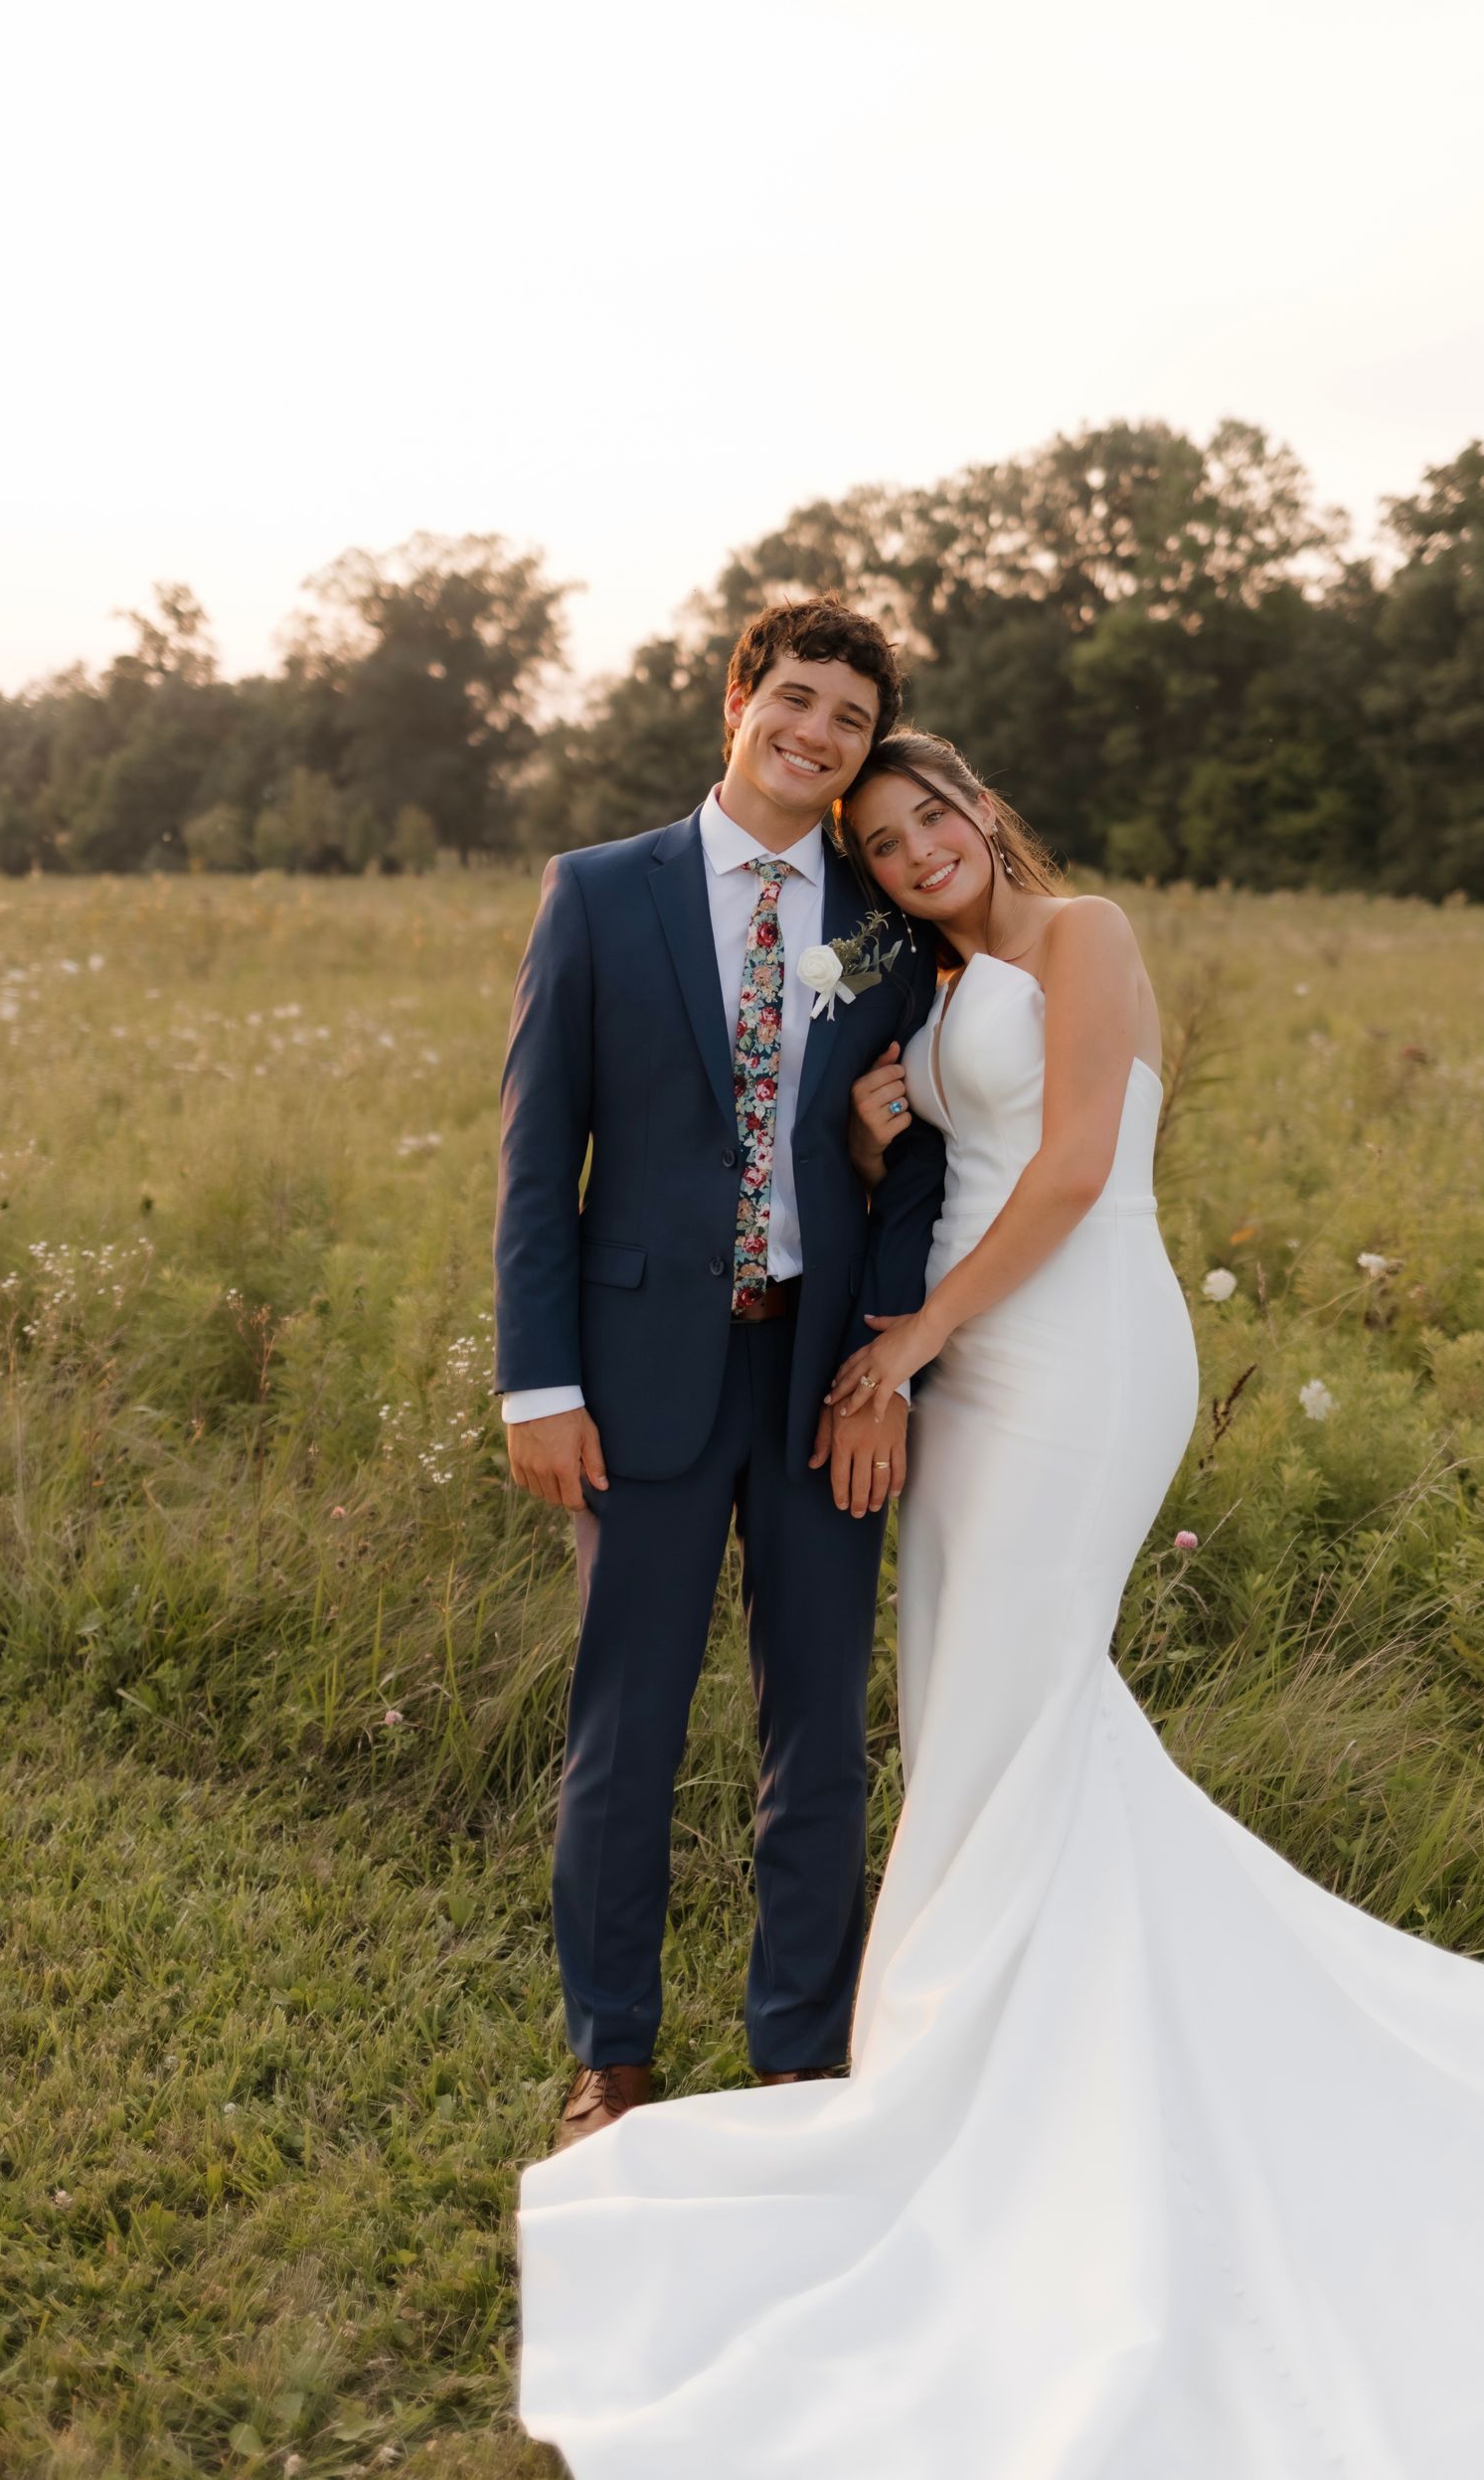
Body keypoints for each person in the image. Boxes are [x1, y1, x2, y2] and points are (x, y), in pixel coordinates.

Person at [514, 725, 1484, 2476]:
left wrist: (912, 1339)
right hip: (960, 1366)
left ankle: (991, 2090)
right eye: (880, 846)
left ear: (983, 809)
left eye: (926, 820)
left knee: (1019, 1708)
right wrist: (882, 1153)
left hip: (1074, 1351)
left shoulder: (1084, 934)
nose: (908, 856)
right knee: (972, 1707)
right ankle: (972, 2059)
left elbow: (1068, 1171)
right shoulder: (933, 978)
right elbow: (935, 1172)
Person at [494, 599, 945, 2149]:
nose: (816, 735)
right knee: (628, 1723)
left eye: (848, 722)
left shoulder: (880, 921)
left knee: (820, 1722)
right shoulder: (600, 894)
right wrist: (537, 1385)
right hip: (640, 1380)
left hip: (821, 1379)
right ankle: (612, 2058)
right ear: (738, 699)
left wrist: (885, 1368)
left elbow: (918, 1161)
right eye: (797, 700)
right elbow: (539, 1154)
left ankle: (796, 2055)